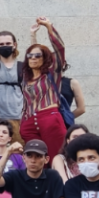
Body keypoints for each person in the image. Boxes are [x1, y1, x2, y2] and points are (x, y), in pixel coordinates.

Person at [20, 17, 67, 160]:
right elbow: (34, 51)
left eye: (37, 56)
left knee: (56, 158)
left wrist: (49, 27)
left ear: (45, 58)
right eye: (30, 56)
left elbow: (60, 50)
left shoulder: (52, 74)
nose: (33, 58)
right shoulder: (26, 78)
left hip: (49, 118)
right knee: (35, 160)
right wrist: (32, 35)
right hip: (28, 122)